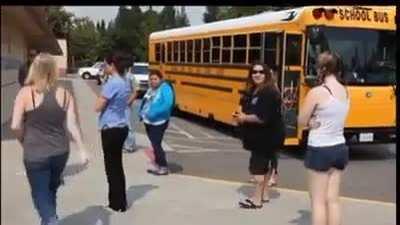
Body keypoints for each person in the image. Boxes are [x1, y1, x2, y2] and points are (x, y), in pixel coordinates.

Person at [10, 52, 89, 225]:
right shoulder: (65, 94)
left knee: (39, 192)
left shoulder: (25, 93)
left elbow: (15, 126)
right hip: (61, 152)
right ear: (53, 70)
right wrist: (82, 150)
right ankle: (48, 220)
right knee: (51, 189)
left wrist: (23, 139)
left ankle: (51, 220)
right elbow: (72, 125)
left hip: (35, 154)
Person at [298, 51, 349, 225]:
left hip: (320, 147)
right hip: (339, 147)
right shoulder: (345, 91)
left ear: (322, 69)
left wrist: (310, 122)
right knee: (332, 199)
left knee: (318, 201)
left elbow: (300, 121)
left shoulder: (317, 92)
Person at [234, 62, 285, 209]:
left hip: (265, 137)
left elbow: (262, 117)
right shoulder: (255, 90)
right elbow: (246, 105)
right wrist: (240, 114)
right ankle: (264, 195)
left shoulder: (268, 92)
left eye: (261, 72)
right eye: (254, 72)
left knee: (258, 168)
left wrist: (244, 118)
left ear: (266, 74)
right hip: (263, 136)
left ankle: (256, 200)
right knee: (265, 165)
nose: (257, 74)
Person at [95, 50, 133, 212]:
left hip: (111, 128)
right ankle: (119, 201)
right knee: (117, 166)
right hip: (121, 126)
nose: (104, 67)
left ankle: (116, 203)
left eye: (105, 64)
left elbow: (97, 106)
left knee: (111, 168)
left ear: (112, 65)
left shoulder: (112, 83)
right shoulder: (124, 82)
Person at [139, 70, 174, 176]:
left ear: (160, 79)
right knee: (154, 144)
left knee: (156, 144)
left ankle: (163, 167)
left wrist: (153, 113)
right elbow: (145, 102)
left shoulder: (165, 88)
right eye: (151, 79)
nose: (153, 81)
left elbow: (168, 104)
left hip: (159, 121)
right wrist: (141, 113)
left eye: (155, 79)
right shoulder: (151, 89)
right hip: (148, 121)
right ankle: (159, 165)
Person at [123, 68, 139, 153]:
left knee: (128, 126)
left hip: (126, 106)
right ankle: (124, 144)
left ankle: (130, 146)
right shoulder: (116, 76)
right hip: (117, 106)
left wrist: (128, 102)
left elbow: (136, 91)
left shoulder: (130, 77)